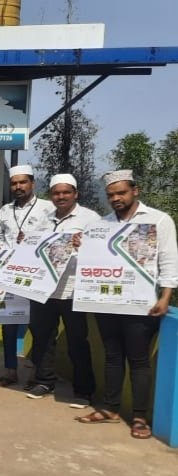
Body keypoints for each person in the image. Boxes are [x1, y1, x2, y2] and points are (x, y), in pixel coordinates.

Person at [75, 170, 177, 440]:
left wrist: (165, 297)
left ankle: (140, 417)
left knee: (139, 359)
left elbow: (169, 260)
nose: (116, 198)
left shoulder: (159, 220)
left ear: (135, 190)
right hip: (107, 302)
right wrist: (80, 246)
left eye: (121, 193)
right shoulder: (101, 225)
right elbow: (92, 261)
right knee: (112, 356)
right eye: (111, 195)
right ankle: (110, 408)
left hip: (140, 303)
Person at [25, 173, 99, 405]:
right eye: (57, 193)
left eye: (66, 192)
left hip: (73, 290)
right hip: (44, 289)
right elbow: (34, 249)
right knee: (42, 338)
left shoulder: (91, 219)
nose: (61, 196)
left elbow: (102, 252)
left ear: (76, 194)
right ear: (51, 195)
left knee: (77, 342)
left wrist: (84, 245)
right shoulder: (44, 219)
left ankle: (83, 391)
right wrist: (25, 241)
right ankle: (44, 381)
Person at [0, 164, 55, 387]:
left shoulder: (48, 208)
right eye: (14, 183)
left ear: (32, 184)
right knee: (9, 325)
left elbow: (54, 240)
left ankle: (37, 372)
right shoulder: (4, 211)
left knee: (38, 327)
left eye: (23, 182)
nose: (18, 186)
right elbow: (0, 239)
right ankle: (11, 371)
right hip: (10, 275)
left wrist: (30, 240)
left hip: (37, 276)